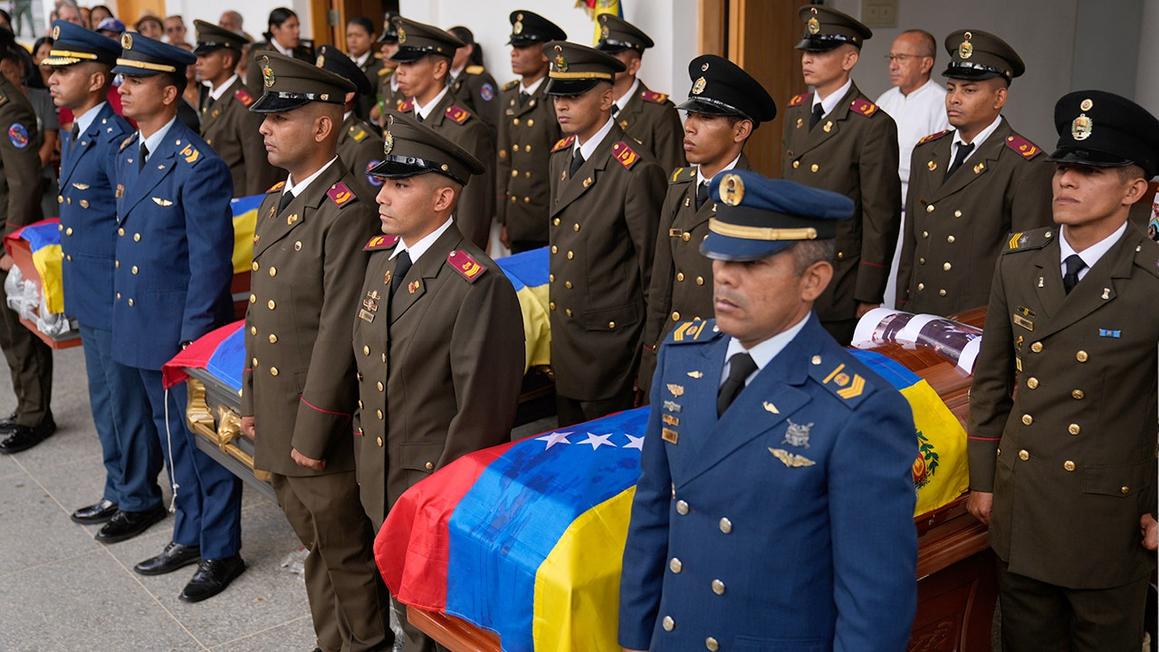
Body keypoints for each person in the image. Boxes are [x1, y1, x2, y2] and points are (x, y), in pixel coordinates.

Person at [619, 170, 918, 652]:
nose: (725, 276)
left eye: (753, 263)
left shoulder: (859, 410)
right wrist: (636, 637)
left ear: (813, 280)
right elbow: (654, 506)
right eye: (718, 255)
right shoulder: (683, 357)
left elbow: (874, 598)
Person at [967, 90, 1159, 652]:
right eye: (1064, 167)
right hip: (1022, 506)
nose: (1066, 181)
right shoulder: (1021, 259)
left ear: (1134, 190)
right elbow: (992, 377)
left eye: (1090, 171)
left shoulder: (1151, 281)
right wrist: (983, 479)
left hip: (1109, 518)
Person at [352, 113, 525, 651]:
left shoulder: (476, 285)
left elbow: (480, 418)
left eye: (401, 184)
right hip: (381, 472)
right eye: (384, 181)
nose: (381, 194)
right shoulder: (382, 260)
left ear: (443, 199)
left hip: (431, 487)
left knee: (435, 623)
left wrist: (438, 507)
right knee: (406, 611)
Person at [242, 52, 390, 652]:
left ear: (323, 126)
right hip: (279, 410)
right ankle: (333, 642)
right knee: (316, 547)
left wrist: (311, 428)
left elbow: (337, 332)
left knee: (344, 550)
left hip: (316, 423)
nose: (264, 128)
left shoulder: (345, 211)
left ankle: (366, 643)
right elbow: (260, 310)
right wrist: (251, 399)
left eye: (280, 116)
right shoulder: (278, 201)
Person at [110, 32, 244, 603]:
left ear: (169, 93)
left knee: (203, 444)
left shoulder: (198, 164)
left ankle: (220, 551)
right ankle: (189, 534)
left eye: (135, 80)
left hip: (180, 333)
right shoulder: (127, 152)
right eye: (123, 78)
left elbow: (210, 263)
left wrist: (192, 342)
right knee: (172, 442)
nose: (123, 88)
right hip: (140, 324)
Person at [43, 20, 167, 540]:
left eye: (64, 69)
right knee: (104, 399)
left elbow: (131, 222)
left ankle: (140, 496)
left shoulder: (114, 138)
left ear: (96, 79)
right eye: (51, 69)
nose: (51, 77)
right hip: (89, 290)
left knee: (125, 401)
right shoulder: (78, 133)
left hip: (116, 293)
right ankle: (118, 487)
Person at [637, 54, 776, 396]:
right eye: (691, 114)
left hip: (720, 359)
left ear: (741, 130)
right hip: (674, 347)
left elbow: (758, 307)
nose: (690, 127)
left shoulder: (757, 199)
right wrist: (650, 359)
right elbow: (661, 283)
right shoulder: (680, 183)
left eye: (707, 117)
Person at [544, 41, 665, 425]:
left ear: (606, 97)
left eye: (574, 95)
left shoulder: (634, 169)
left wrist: (649, 355)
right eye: (557, 95)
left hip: (611, 348)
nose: (561, 105)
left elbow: (654, 273)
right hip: (568, 337)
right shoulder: (561, 157)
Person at [895, 30, 1053, 317]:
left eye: (969, 90)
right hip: (920, 311)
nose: (954, 98)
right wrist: (902, 310)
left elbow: (1027, 264)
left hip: (975, 319)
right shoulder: (928, 152)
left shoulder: (1025, 164)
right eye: (951, 87)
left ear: (999, 97)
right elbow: (912, 245)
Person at [781, 6, 901, 345]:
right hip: (792, 272)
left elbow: (880, 216)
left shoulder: (871, 124)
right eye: (806, 51)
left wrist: (868, 293)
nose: (807, 59)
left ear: (849, 60)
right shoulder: (797, 113)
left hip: (838, 280)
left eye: (819, 52)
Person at [389, 16, 495, 251]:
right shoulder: (400, 119)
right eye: (399, 64)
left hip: (444, 257)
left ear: (439, 68)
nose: (399, 71)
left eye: (410, 64)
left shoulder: (466, 129)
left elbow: (472, 213)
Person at [0, 27, 51, 454]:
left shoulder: (7, 106)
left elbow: (24, 180)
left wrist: (10, 246)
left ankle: (36, 415)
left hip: (6, 231)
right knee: (5, 328)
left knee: (19, 328)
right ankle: (24, 405)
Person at [874, 30, 948, 308]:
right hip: (882, 206)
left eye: (902, 58)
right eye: (891, 57)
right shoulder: (885, 100)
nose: (893, 64)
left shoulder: (940, 103)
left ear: (926, 63)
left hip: (915, 208)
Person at [495, 10, 567, 253]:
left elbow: (565, 166)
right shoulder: (509, 96)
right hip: (518, 220)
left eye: (523, 46)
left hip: (547, 220)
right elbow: (504, 161)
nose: (514, 52)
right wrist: (504, 218)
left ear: (547, 52)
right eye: (514, 45)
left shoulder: (558, 97)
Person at [194, 20, 280, 196]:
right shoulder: (213, 98)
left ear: (226, 60)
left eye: (206, 56)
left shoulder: (244, 105)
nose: (198, 62)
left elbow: (258, 169)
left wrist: (252, 211)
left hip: (238, 203)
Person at [596, 14, 685, 173]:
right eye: (603, 54)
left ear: (634, 65)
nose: (605, 61)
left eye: (614, 55)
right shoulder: (593, 105)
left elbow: (673, 178)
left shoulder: (659, 112)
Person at [317, 45, 385, 201]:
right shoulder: (315, 133)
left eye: (324, 85)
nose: (316, 92)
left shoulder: (366, 146)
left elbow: (371, 210)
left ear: (348, 95)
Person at [446, 25, 498, 134]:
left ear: (468, 49)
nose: (447, 51)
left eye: (452, 46)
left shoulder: (478, 79)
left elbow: (490, 123)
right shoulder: (444, 77)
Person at [247, 8, 312, 92]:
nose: (297, 31)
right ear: (274, 29)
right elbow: (254, 92)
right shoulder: (260, 56)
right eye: (291, 26)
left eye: (298, 26)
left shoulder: (304, 53)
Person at [345, 17, 382, 123]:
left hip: (372, 129)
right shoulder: (342, 64)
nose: (353, 40)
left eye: (358, 35)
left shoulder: (380, 66)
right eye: (349, 36)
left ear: (372, 38)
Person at [369, 15, 403, 126]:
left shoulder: (415, 79)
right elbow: (381, 119)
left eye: (391, 43)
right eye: (384, 44)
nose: (383, 49)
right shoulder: (385, 78)